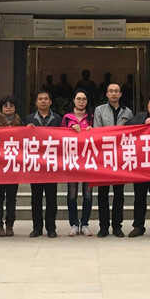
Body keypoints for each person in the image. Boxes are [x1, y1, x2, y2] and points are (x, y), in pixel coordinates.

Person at [93, 83, 134, 237]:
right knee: (102, 194)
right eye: (111, 91)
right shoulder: (99, 110)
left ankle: (117, 226)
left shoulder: (128, 112)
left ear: (121, 94)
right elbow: (97, 131)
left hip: (121, 158)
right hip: (104, 157)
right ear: (106, 94)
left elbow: (131, 133)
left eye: (116, 91)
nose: (114, 94)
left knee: (119, 194)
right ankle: (103, 227)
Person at [127, 93, 150, 239]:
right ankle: (138, 226)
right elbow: (126, 129)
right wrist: (143, 124)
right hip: (140, 167)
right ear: (148, 106)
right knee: (139, 198)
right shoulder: (139, 117)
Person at [24, 90, 63, 238]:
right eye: (40, 99)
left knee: (52, 198)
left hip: (52, 164)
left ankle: (51, 228)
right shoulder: (29, 119)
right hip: (36, 165)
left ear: (50, 102)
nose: (43, 101)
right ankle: (37, 227)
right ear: (36, 102)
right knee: (36, 198)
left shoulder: (57, 119)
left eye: (46, 99)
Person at [62, 89, 94, 236]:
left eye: (84, 99)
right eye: (78, 99)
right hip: (72, 160)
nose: (81, 102)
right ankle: (74, 224)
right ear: (73, 100)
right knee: (72, 194)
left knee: (88, 194)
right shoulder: (67, 118)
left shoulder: (92, 117)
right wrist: (70, 129)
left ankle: (85, 223)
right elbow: (59, 136)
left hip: (88, 160)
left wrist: (92, 130)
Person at [0, 95, 21, 237]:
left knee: (11, 197)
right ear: (1, 107)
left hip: (14, 165)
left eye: (11, 105)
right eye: (5, 105)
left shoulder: (20, 122)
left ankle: (10, 224)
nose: (8, 107)